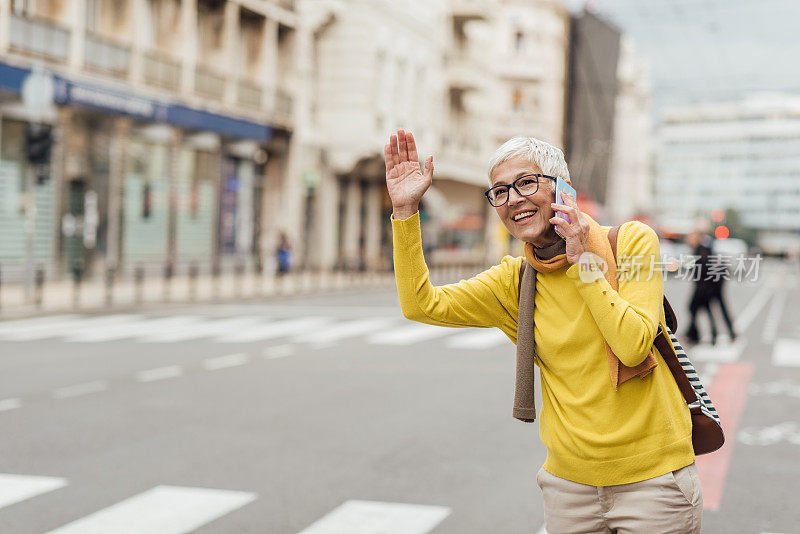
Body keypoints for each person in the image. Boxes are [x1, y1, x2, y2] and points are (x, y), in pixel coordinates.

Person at [385, 129, 702, 533]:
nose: (513, 198)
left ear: (563, 189)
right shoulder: (513, 282)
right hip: (569, 489)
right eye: (499, 191)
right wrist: (405, 212)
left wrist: (583, 263)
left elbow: (633, 345)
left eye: (526, 182)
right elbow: (420, 304)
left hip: (655, 484)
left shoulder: (633, 243)